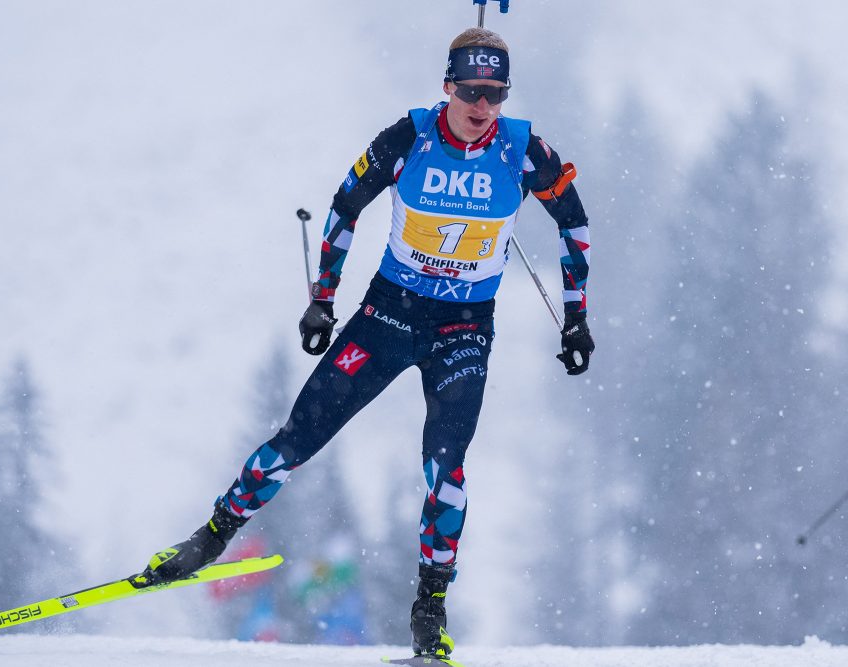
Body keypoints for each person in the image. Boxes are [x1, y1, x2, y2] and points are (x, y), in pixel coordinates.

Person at [132, 27, 593, 658]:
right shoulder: (408, 138)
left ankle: (429, 610)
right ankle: (210, 538)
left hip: (464, 327)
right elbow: (345, 206)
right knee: (298, 438)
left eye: (494, 92)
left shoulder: (523, 150)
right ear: (447, 86)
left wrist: (576, 317)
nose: (482, 105)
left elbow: (575, 225)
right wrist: (323, 299)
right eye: (470, 90)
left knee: (445, 470)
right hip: (390, 315)